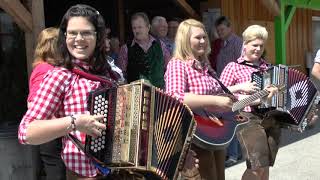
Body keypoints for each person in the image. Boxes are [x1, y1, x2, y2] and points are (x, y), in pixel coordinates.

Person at [18, 4, 122, 179]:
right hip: (83, 175)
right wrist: (75, 122)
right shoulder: (60, 76)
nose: (78, 39)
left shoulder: (109, 74)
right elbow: (26, 132)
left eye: (86, 32)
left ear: (99, 36)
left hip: (119, 172)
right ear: (64, 37)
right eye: (72, 33)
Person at [164, 19, 270, 180]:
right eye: (197, 37)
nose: (203, 41)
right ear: (185, 40)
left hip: (214, 132)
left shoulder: (205, 66)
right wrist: (215, 101)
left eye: (204, 37)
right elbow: (175, 96)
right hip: (194, 135)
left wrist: (253, 98)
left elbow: (223, 94)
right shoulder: (178, 64)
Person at [220, 25, 282, 180]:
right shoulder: (233, 67)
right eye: (254, 45)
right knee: (256, 166)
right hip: (247, 116)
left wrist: (276, 92)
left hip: (270, 117)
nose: (258, 49)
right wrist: (240, 86)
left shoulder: (268, 67)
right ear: (245, 44)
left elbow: (279, 93)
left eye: (261, 46)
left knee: (265, 166)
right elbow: (220, 92)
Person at [27, 27, 66, 180]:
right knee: (56, 174)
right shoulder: (44, 69)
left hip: (52, 131)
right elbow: (33, 103)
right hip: (49, 133)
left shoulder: (48, 67)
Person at [117, 12, 170, 88]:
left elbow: (169, 68)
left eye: (139, 27)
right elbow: (119, 74)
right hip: (135, 96)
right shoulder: (126, 49)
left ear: (148, 27)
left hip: (159, 94)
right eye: (134, 28)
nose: (137, 31)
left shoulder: (160, 45)